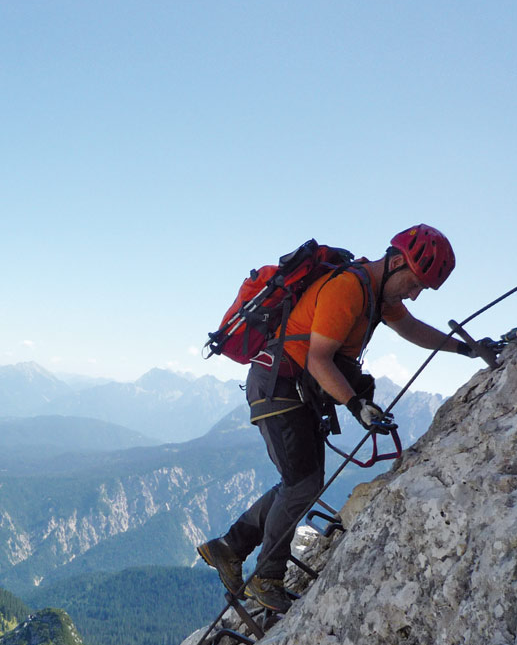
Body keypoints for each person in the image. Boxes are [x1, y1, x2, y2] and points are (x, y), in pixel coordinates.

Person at [197, 225, 492, 614]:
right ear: (398, 261)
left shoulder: (376, 294)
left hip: (286, 387)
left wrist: (464, 348)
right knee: (303, 484)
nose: (414, 293)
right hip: (279, 385)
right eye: (414, 283)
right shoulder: (348, 289)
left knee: (299, 482)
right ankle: (266, 577)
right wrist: (356, 405)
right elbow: (319, 359)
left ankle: (229, 547)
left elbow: (412, 328)